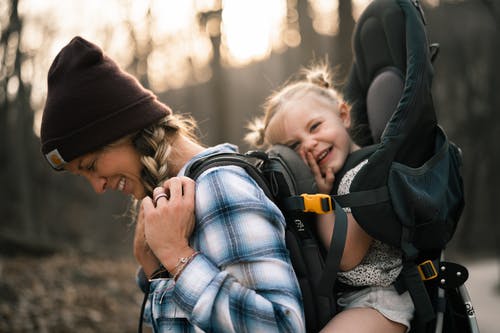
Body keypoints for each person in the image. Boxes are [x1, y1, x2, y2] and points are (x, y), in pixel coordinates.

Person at [40, 36, 305, 332]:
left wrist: (178, 258)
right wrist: (155, 269)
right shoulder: (176, 208)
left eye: (91, 166)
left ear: (123, 131)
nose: (97, 187)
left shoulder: (218, 187)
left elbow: (283, 326)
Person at [244, 62, 415, 333]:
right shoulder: (332, 179)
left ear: (343, 115)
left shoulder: (368, 174)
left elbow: (346, 257)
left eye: (314, 127)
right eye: (294, 146)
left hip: (380, 302)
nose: (309, 144)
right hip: (345, 301)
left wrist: (320, 200)